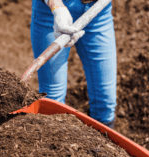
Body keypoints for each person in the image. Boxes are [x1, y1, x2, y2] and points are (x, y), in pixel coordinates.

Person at [31, 0, 116, 128]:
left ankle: (99, 146)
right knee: (53, 101)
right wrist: (56, 7)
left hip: (99, 11)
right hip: (52, 13)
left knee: (105, 101)